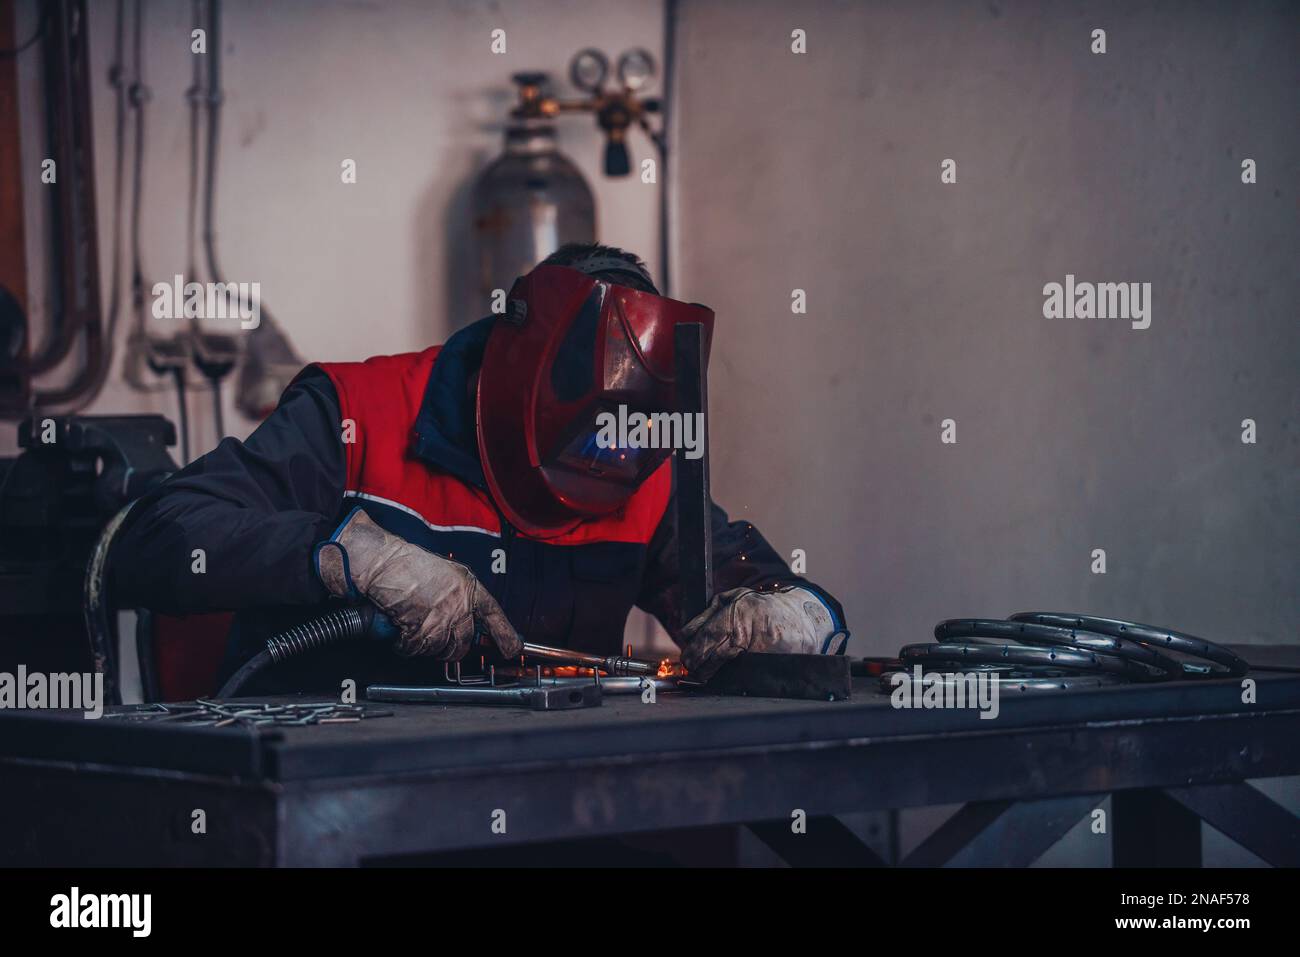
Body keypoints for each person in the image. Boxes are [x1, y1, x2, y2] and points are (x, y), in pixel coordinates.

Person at [112, 244, 847, 692]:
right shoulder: (355, 411)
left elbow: (748, 584)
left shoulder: (636, 454)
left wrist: (800, 612)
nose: (596, 478)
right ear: (513, 374)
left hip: (519, 805)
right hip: (327, 803)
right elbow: (154, 539)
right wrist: (344, 554)